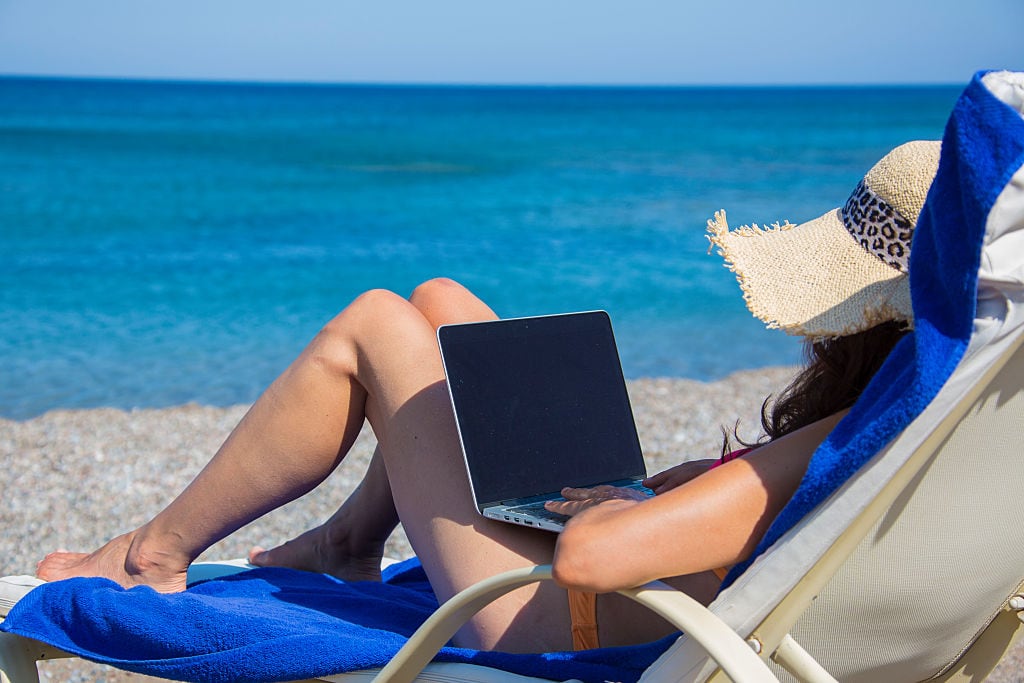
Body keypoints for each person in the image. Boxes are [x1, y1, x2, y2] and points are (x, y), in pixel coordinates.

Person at [35, 140, 942, 655]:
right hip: (649, 593)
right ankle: (349, 540)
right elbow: (742, 523)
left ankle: (152, 554)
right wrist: (667, 490)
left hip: (564, 618)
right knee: (444, 306)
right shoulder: (911, 418)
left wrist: (628, 506)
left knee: (375, 325)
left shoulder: (842, 431)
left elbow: (591, 559)